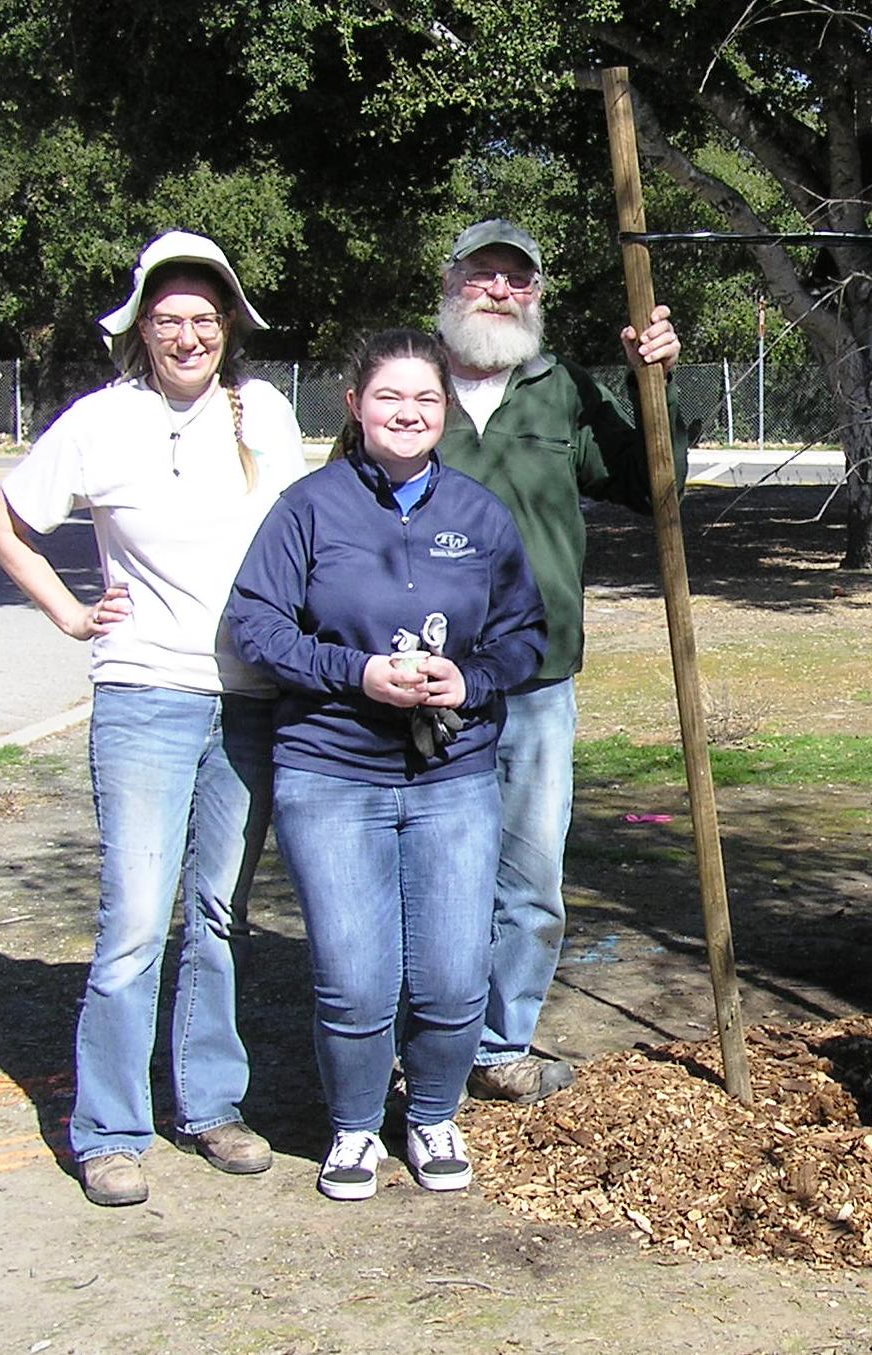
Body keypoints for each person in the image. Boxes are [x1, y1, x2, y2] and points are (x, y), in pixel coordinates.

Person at [0, 231, 308, 1206]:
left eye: (204, 318)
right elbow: (5, 520)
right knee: (131, 919)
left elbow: (308, 536)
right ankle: (109, 1127)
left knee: (216, 914)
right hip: (143, 699)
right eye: (169, 318)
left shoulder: (270, 415)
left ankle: (209, 1104)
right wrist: (72, 613)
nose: (188, 334)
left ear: (227, 327)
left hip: (247, 704)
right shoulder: (100, 422)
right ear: (142, 328)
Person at [225, 329, 548, 1200]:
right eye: (390, 398)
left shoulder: (479, 514)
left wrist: (469, 679)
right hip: (332, 772)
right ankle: (356, 1129)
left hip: (453, 779)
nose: (408, 414)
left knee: (450, 969)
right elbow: (256, 626)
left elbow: (524, 635)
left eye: (426, 401)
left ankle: (434, 1113)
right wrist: (355, 672)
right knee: (355, 976)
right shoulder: (308, 507)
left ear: (445, 412)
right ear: (355, 405)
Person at [432, 218, 691, 1104]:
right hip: (416, 681)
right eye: (484, 276)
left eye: (520, 280)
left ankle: (502, 1043)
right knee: (420, 869)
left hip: (535, 679)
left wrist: (650, 381)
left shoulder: (558, 388)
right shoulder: (405, 381)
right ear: (450, 281)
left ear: (538, 296)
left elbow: (650, 482)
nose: (501, 292)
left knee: (528, 874)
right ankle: (421, 1041)